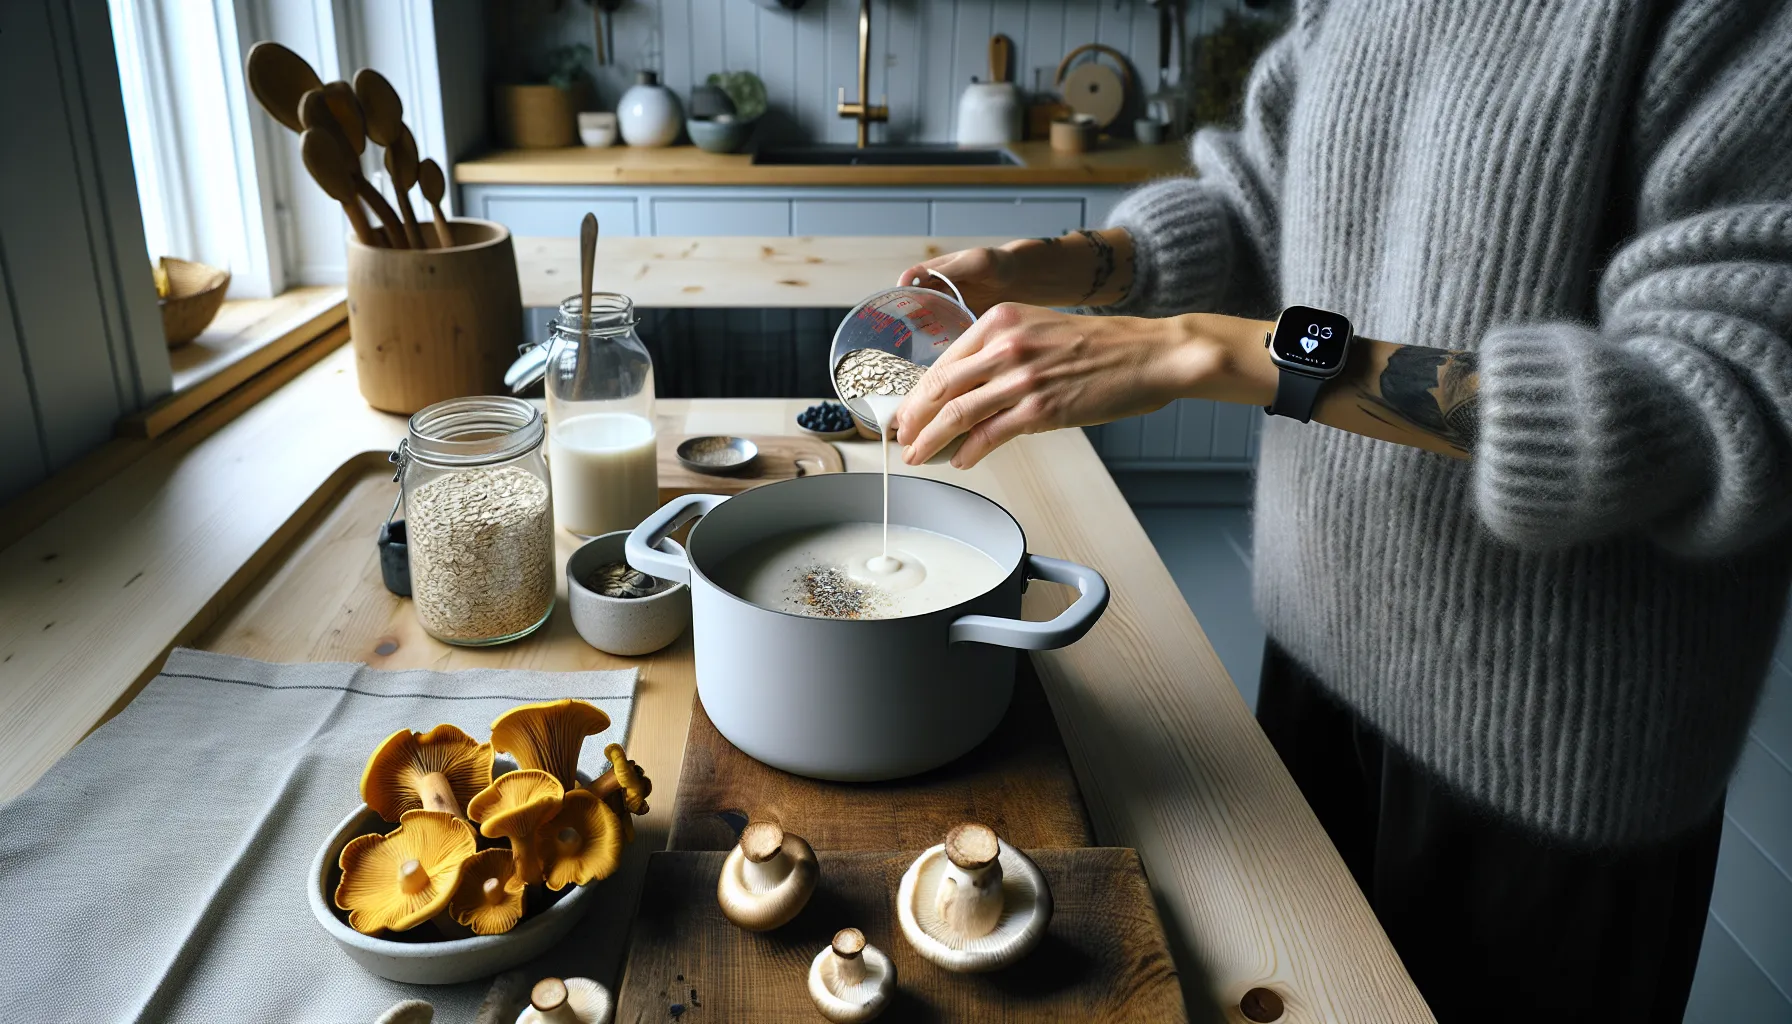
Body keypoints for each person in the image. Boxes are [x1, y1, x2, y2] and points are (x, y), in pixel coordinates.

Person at [890, 2, 1792, 1020]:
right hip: (1318, 655)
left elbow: (1722, 403)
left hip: (1549, 751)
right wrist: (1055, 264)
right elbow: (1266, 204)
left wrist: (1229, 353)